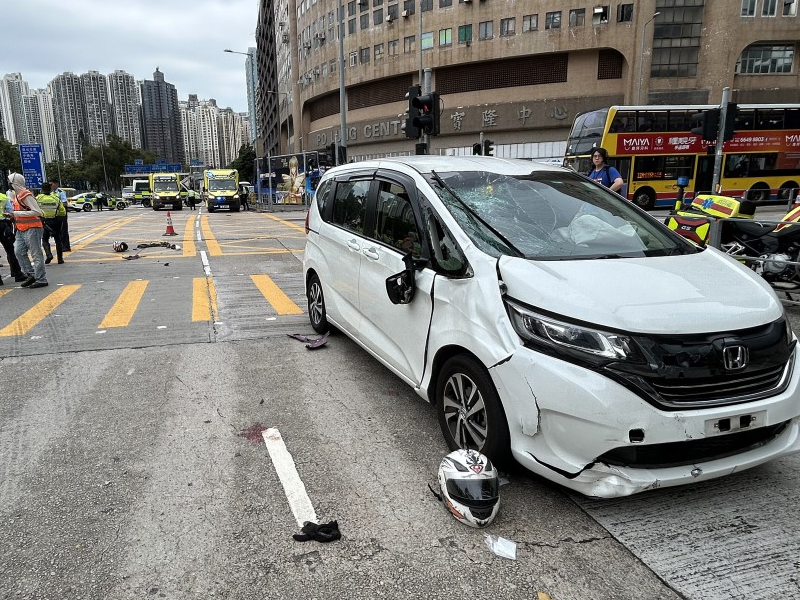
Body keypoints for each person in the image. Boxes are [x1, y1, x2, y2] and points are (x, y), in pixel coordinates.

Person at [7, 173, 47, 288]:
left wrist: (16, 213)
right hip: (20, 228)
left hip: (32, 228)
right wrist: (12, 216)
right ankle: (32, 275)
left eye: (9, 181)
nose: (8, 183)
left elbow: (37, 212)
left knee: (36, 254)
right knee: (18, 252)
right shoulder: (16, 195)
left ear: (15, 182)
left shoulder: (26, 194)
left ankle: (41, 279)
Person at [37, 182, 67, 265]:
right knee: (58, 239)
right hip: (55, 221)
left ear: (41, 190)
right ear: (50, 189)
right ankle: (60, 259)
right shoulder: (56, 198)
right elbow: (62, 212)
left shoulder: (38, 198)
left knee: (45, 239)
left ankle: (49, 254)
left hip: (43, 221)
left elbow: (34, 210)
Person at [0, 189, 25, 284]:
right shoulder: (3, 197)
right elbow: (11, 212)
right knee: (10, 251)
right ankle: (18, 274)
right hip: (3, 225)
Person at [49, 179, 71, 251]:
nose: (50, 186)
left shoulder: (61, 192)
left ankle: (66, 246)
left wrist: (56, 205)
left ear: (56, 184)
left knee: (63, 230)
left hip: (62, 214)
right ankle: (60, 245)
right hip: (54, 214)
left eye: (51, 184)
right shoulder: (51, 193)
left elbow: (65, 203)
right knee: (57, 231)